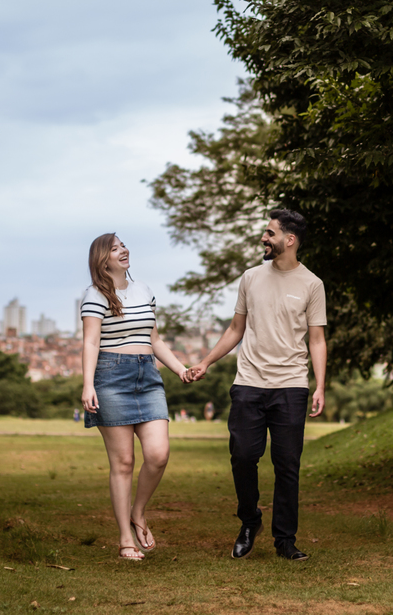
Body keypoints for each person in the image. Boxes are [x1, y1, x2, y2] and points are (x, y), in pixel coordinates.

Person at [185, 209, 327, 561]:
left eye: (270, 233)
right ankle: (250, 521)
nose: (264, 238)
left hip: (291, 385)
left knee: (287, 464)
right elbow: (236, 329)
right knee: (243, 456)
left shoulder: (312, 284)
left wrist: (319, 386)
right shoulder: (250, 277)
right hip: (249, 382)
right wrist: (205, 361)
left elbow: (317, 339)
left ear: (289, 240)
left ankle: (285, 540)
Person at [81, 233, 189, 561]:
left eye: (123, 245)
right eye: (115, 248)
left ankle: (137, 512)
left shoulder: (144, 290)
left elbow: (154, 339)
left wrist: (180, 369)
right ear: (103, 260)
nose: (124, 250)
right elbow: (90, 343)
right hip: (111, 377)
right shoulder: (94, 295)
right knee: (124, 461)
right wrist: (88, 385)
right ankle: (126, 539)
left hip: (148, 375)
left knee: (158, 454)